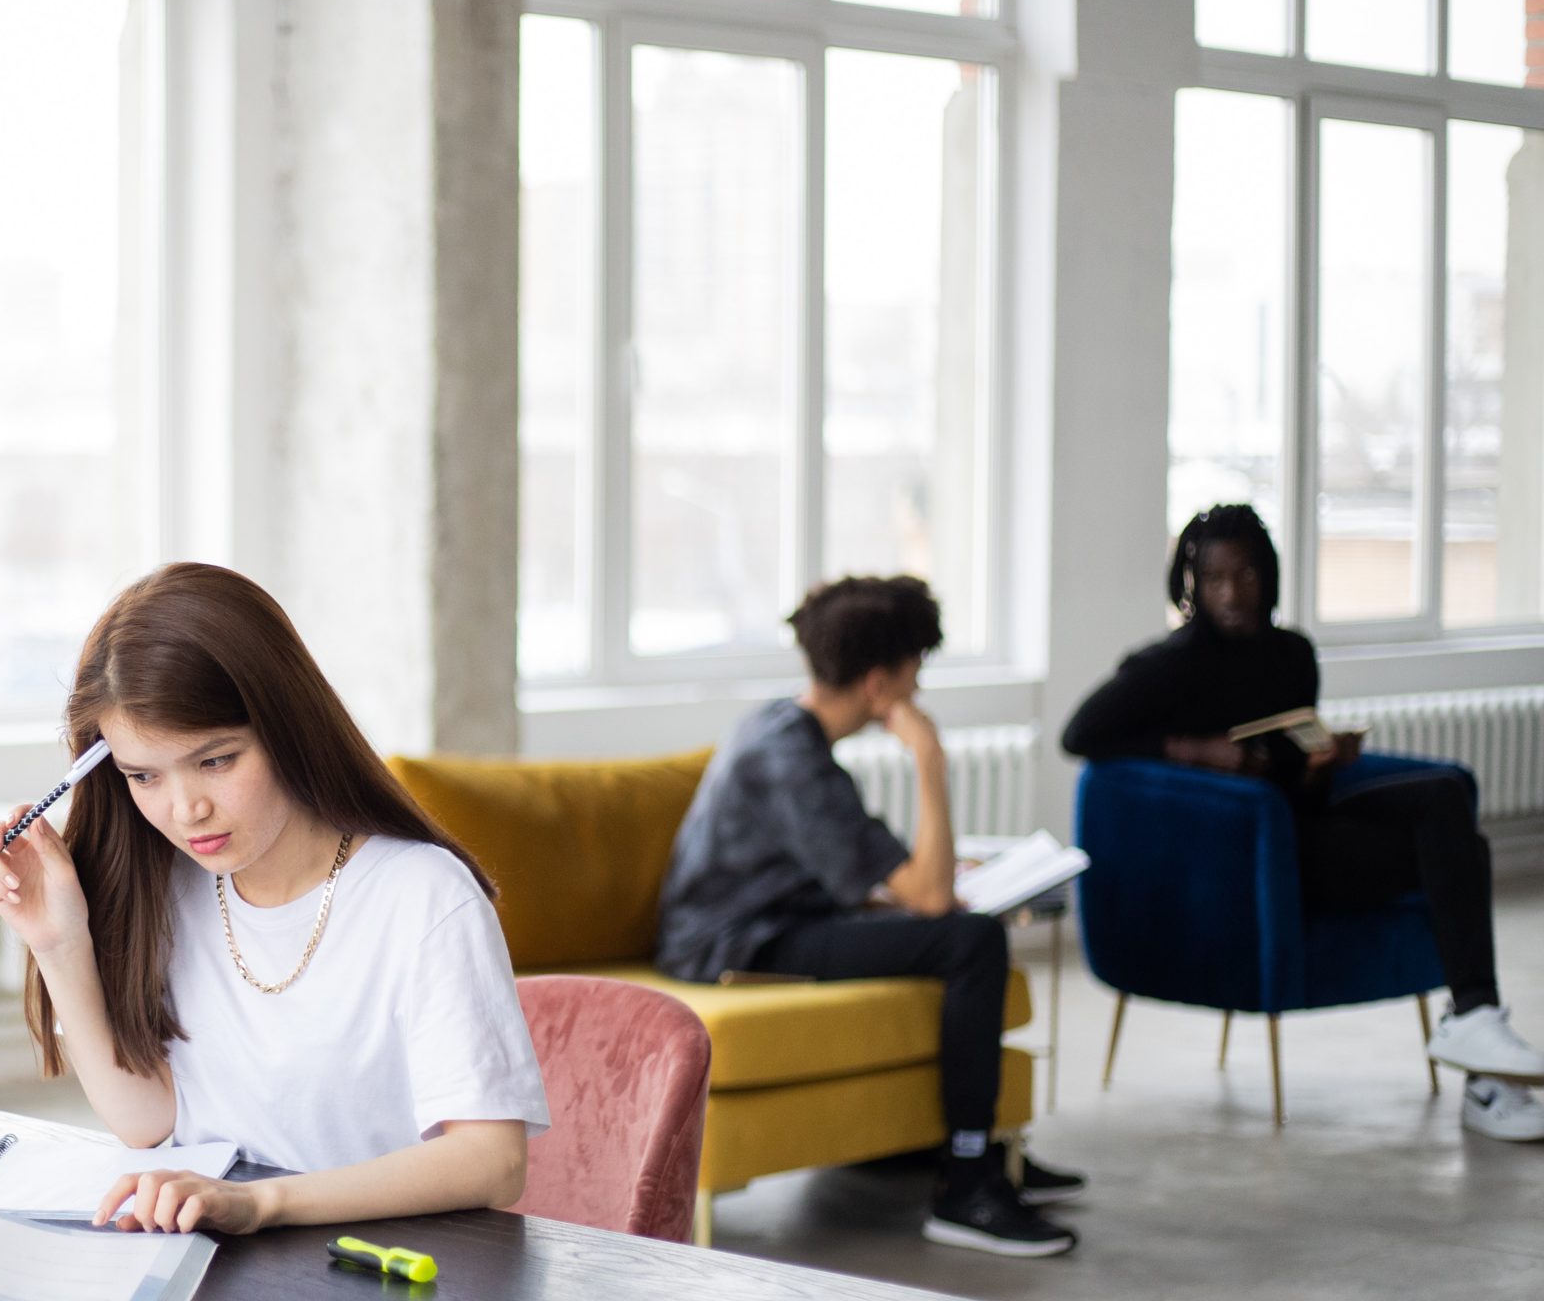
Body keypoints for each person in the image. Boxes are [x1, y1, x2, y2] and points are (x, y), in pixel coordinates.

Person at [0, 562, 549, 1235]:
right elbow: (148, 1119)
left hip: (385, 1273)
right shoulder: (170, 886)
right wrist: (58, 940)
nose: (186, 808)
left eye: (215, 760)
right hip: (220, 1266)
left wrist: (261, 1204)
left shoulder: (421, 896)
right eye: (142, 774)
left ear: (287, 726)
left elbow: (492, 1160)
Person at [1061, 503, 1544, 1142]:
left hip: (1304, 823)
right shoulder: (1166, 665)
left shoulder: (1291, 654)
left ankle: (1476, 1026)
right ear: (1192, 585)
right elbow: (1080, 734)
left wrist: (1322, 761)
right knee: (1463, 858)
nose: (1232, 593)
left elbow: (1295, 776)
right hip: (1245, 865)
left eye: (1247, 575)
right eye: (1215, 579)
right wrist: (1195, 750)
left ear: (1270, 576)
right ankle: (1482, 1066)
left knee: (1447, 799)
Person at [652, 575, 1085, 1257]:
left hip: (773, 920)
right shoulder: (794, 760)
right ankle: (967, 1184)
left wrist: (915, 891)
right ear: (881, 682)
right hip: (737, 947)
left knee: (953, 931)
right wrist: (928, 755)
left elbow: (868, 874)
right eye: (915, 670)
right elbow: (932, 897)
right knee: (968, 940)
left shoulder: (782, 728)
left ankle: (958, 1149)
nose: (918, 688)